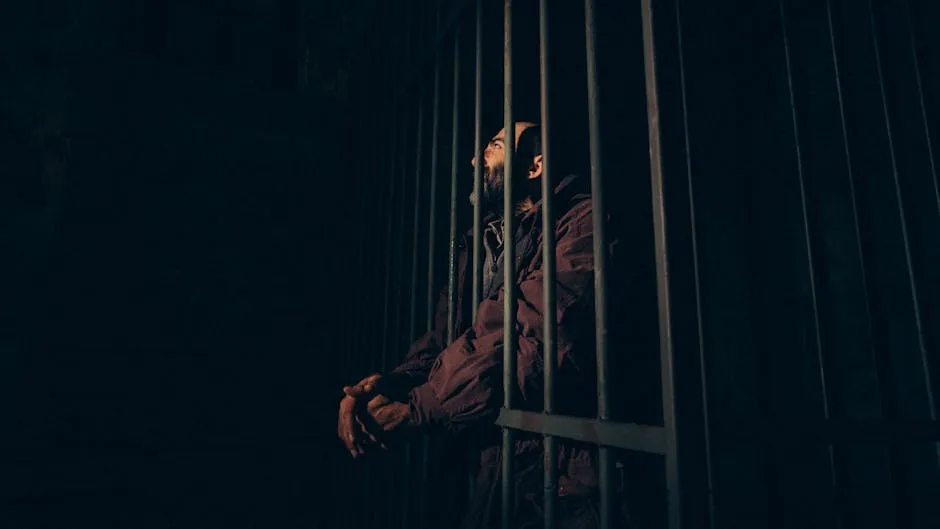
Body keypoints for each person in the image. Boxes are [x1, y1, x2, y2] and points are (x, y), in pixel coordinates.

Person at [337, 122, 629, 528]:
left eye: (492, 146)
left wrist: (421, 407)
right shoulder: (479, 244)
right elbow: (446, 340)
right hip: (481, 464)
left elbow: (537, 334)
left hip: (553, 476)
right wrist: (392, 384)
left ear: (534, 166)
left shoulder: (581, 221)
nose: (476, 159)